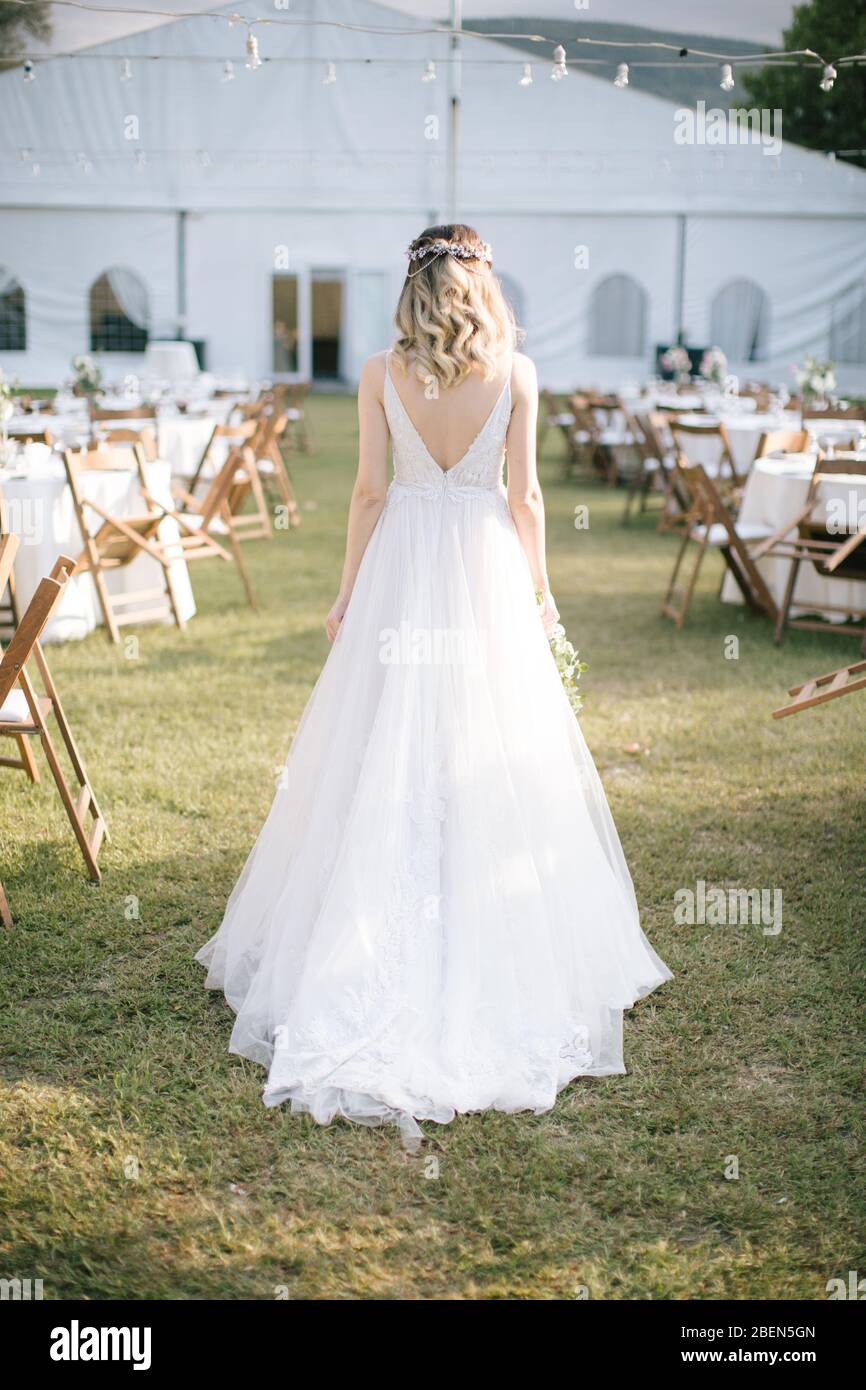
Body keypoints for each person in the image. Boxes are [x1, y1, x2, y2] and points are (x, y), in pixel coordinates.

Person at [197, 224, 671, 1148]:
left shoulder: (380, 374)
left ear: (413, 289)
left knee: (384, 741)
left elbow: (369, 494)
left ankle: (368, 932)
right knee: (486, 740)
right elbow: (526, 498)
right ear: (482, 286)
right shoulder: (519, 377)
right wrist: (540, 596)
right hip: (485, 568)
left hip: (405, 570)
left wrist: (344, 596)